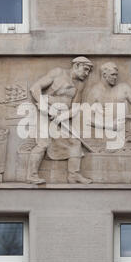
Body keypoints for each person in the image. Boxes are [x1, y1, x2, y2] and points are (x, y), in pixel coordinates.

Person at [26, 56, 94, 185]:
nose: (87, 73)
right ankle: (32, 175)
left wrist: (63, 116)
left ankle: (74, 175)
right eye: (85, 69)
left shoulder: (80, 84)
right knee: (43, 143)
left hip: (62, 115)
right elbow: (35, 88)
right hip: (46, 112)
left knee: (74, 142)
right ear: (76, 65)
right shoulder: (58, 72)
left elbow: (75, 107)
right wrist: (44, 107)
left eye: (89, 71)